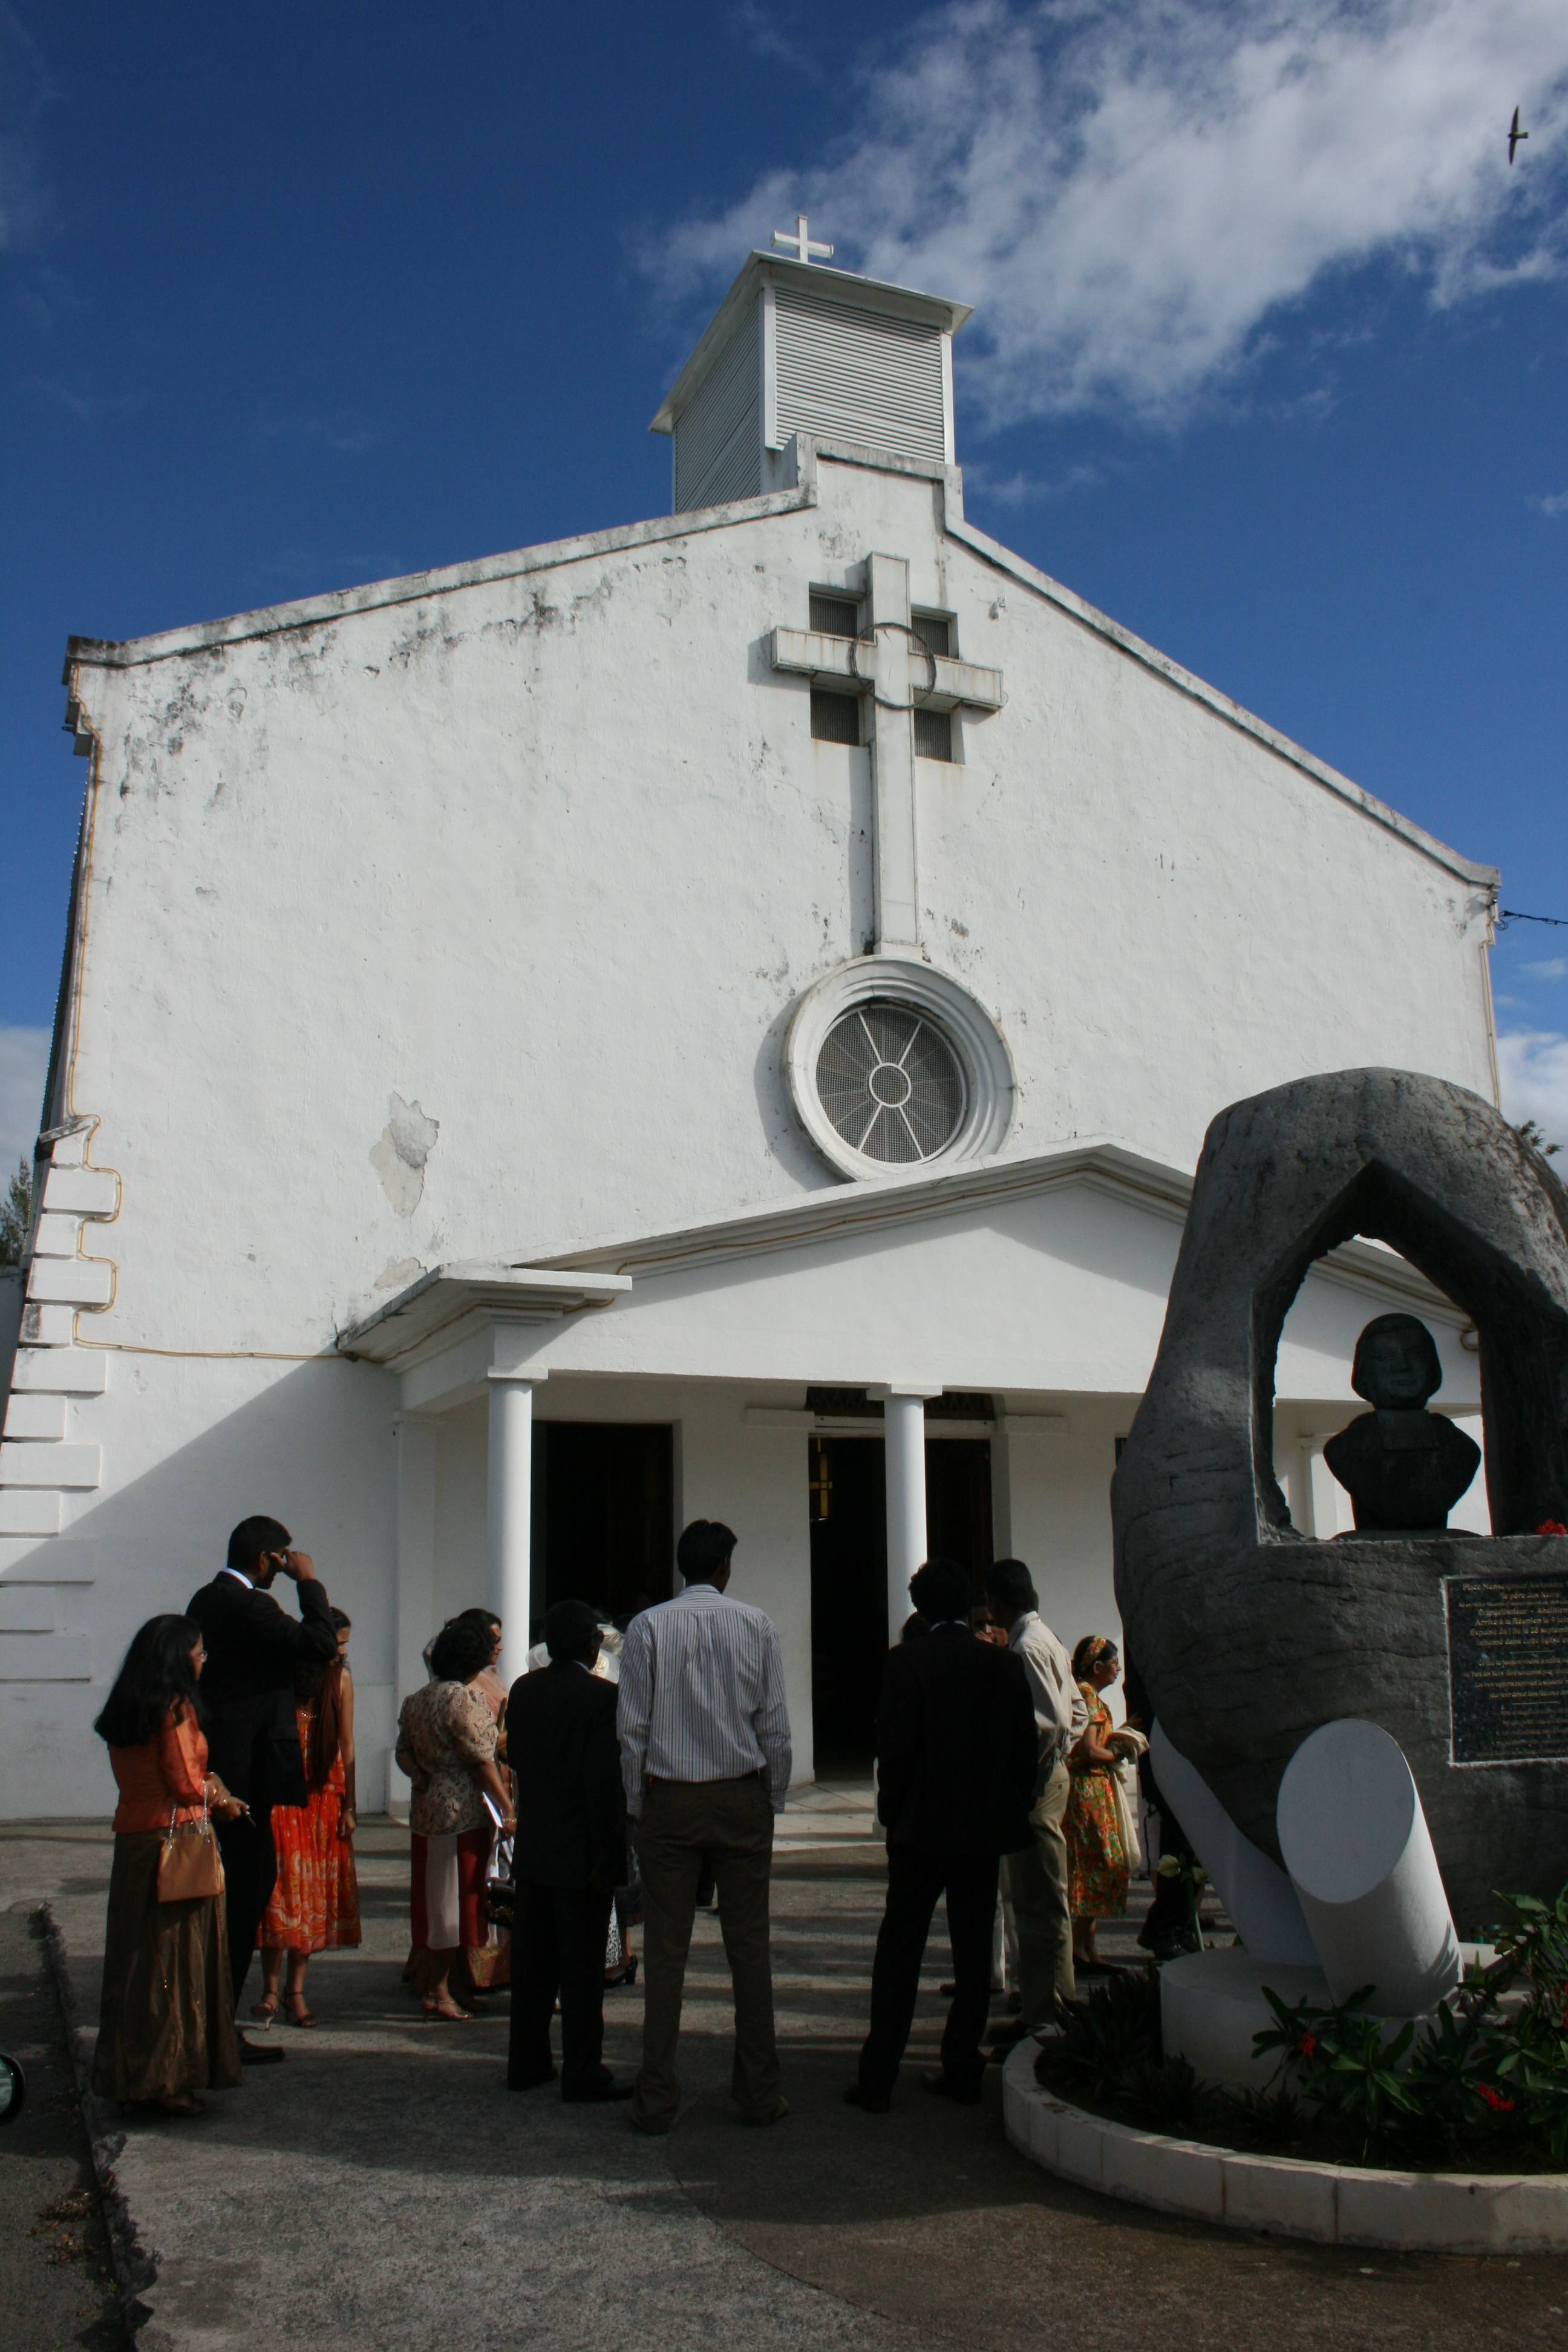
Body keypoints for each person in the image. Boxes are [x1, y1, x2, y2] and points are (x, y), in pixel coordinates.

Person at [616, 1519, 792, 2135]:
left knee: (666, 1954)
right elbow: (775, 1727)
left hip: (670, 1797)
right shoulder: (756, 1625)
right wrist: (772, 1797)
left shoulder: (648, 1627)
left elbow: (632, 1729)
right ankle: (760, 2092)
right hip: (740, 1793)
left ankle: (656, 2098)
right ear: (723, 1569)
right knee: (750, 1949)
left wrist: (638, 1803)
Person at [845, 1560, 1037, 2114]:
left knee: (899, 1952)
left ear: (922, 1609)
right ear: (971, 1607)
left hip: (921, 1830)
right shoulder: (1001, 1664)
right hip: (980, 1831)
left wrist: (892, 1813)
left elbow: (894, 1748)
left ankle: (878, 2077)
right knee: (973, 1956)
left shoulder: (906, 1661)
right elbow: (1023, 1750)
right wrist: (1009, 1807)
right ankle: (962, 2067)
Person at [186, 1515, 339, 2060]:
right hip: (247, 1766)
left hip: (223, 1756)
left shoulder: (206, 1598)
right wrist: (309, 1582)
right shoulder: (253, 1605)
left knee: (238, 1891)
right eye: (282, 1558)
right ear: (267, 1559)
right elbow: (320, 1644)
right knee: (248, 1889)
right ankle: (218, 2031)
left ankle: (212, 2022)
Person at [91, 1615, 245, 2115]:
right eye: (199, 1654)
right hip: (174, 1841)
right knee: (176, 1964)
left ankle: (131, 2074)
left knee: (136, 1963)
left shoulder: (127, 1707)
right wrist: (219, 1796)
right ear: (180, 1658)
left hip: (135, 1840)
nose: (203, 1661)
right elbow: (184, 1784)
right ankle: (171, 2079)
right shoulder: (174, 1707)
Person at [506, 1599, 631, 2101]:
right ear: (591, 1644)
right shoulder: (602, 1698)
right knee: (581, 1971)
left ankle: (527, 2061)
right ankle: (582, 2069)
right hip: (581, 1849)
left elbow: (516, 1755)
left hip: (536, 1842)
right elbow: (603, 1785)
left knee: (532, 1965)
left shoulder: (524, 1689)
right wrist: (612, 1857)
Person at [983, 1557, 1086, 2057]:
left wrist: (1031, 1776)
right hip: (1047, 1778)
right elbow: (1077, 1712)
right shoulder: (1046, 1640)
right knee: (1036, 1902)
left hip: (1036, 1785)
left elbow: (1048, 1725)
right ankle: (1039, 2011)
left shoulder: (1026, 1648)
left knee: (1041, 1902)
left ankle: (1051, 2017)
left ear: (999, 1602)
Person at [396, 1616, 517, 2020]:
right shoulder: (463, 1700)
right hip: (461, 1813)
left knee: (433, 1901)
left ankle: (448, 1986)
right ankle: (440, 1991)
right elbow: (482, 1761)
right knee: (456, 1903)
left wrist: (421, 1775)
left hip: (427, 1810)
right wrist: (507, 1807)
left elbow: (403, 1752)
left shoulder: (417, 1699)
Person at [252, 1607, 361, 2027]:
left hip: (322, 1799)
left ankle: (294, 1992)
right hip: (282, 1797)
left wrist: (349, 1806)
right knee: (279, 1896)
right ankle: (269, 1991)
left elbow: (347, 1745)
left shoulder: (341, 1680)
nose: (343, 1651)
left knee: (312, 1897)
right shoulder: (281, 1677)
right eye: (338, 1643)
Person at [1066, 1635, 1133, 1968]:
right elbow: (1089, 1750)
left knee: (1096, 1866)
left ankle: (1087, 1949)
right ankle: (1078, 1947)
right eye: (1113, 1662)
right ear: (1097, 1667)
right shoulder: (1088, 1695)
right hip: (1088, 1792)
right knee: (1101, 1866)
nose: (1118, 1668)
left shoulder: (1088, 1694)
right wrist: (1117, 1753)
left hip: (1095, 1790)